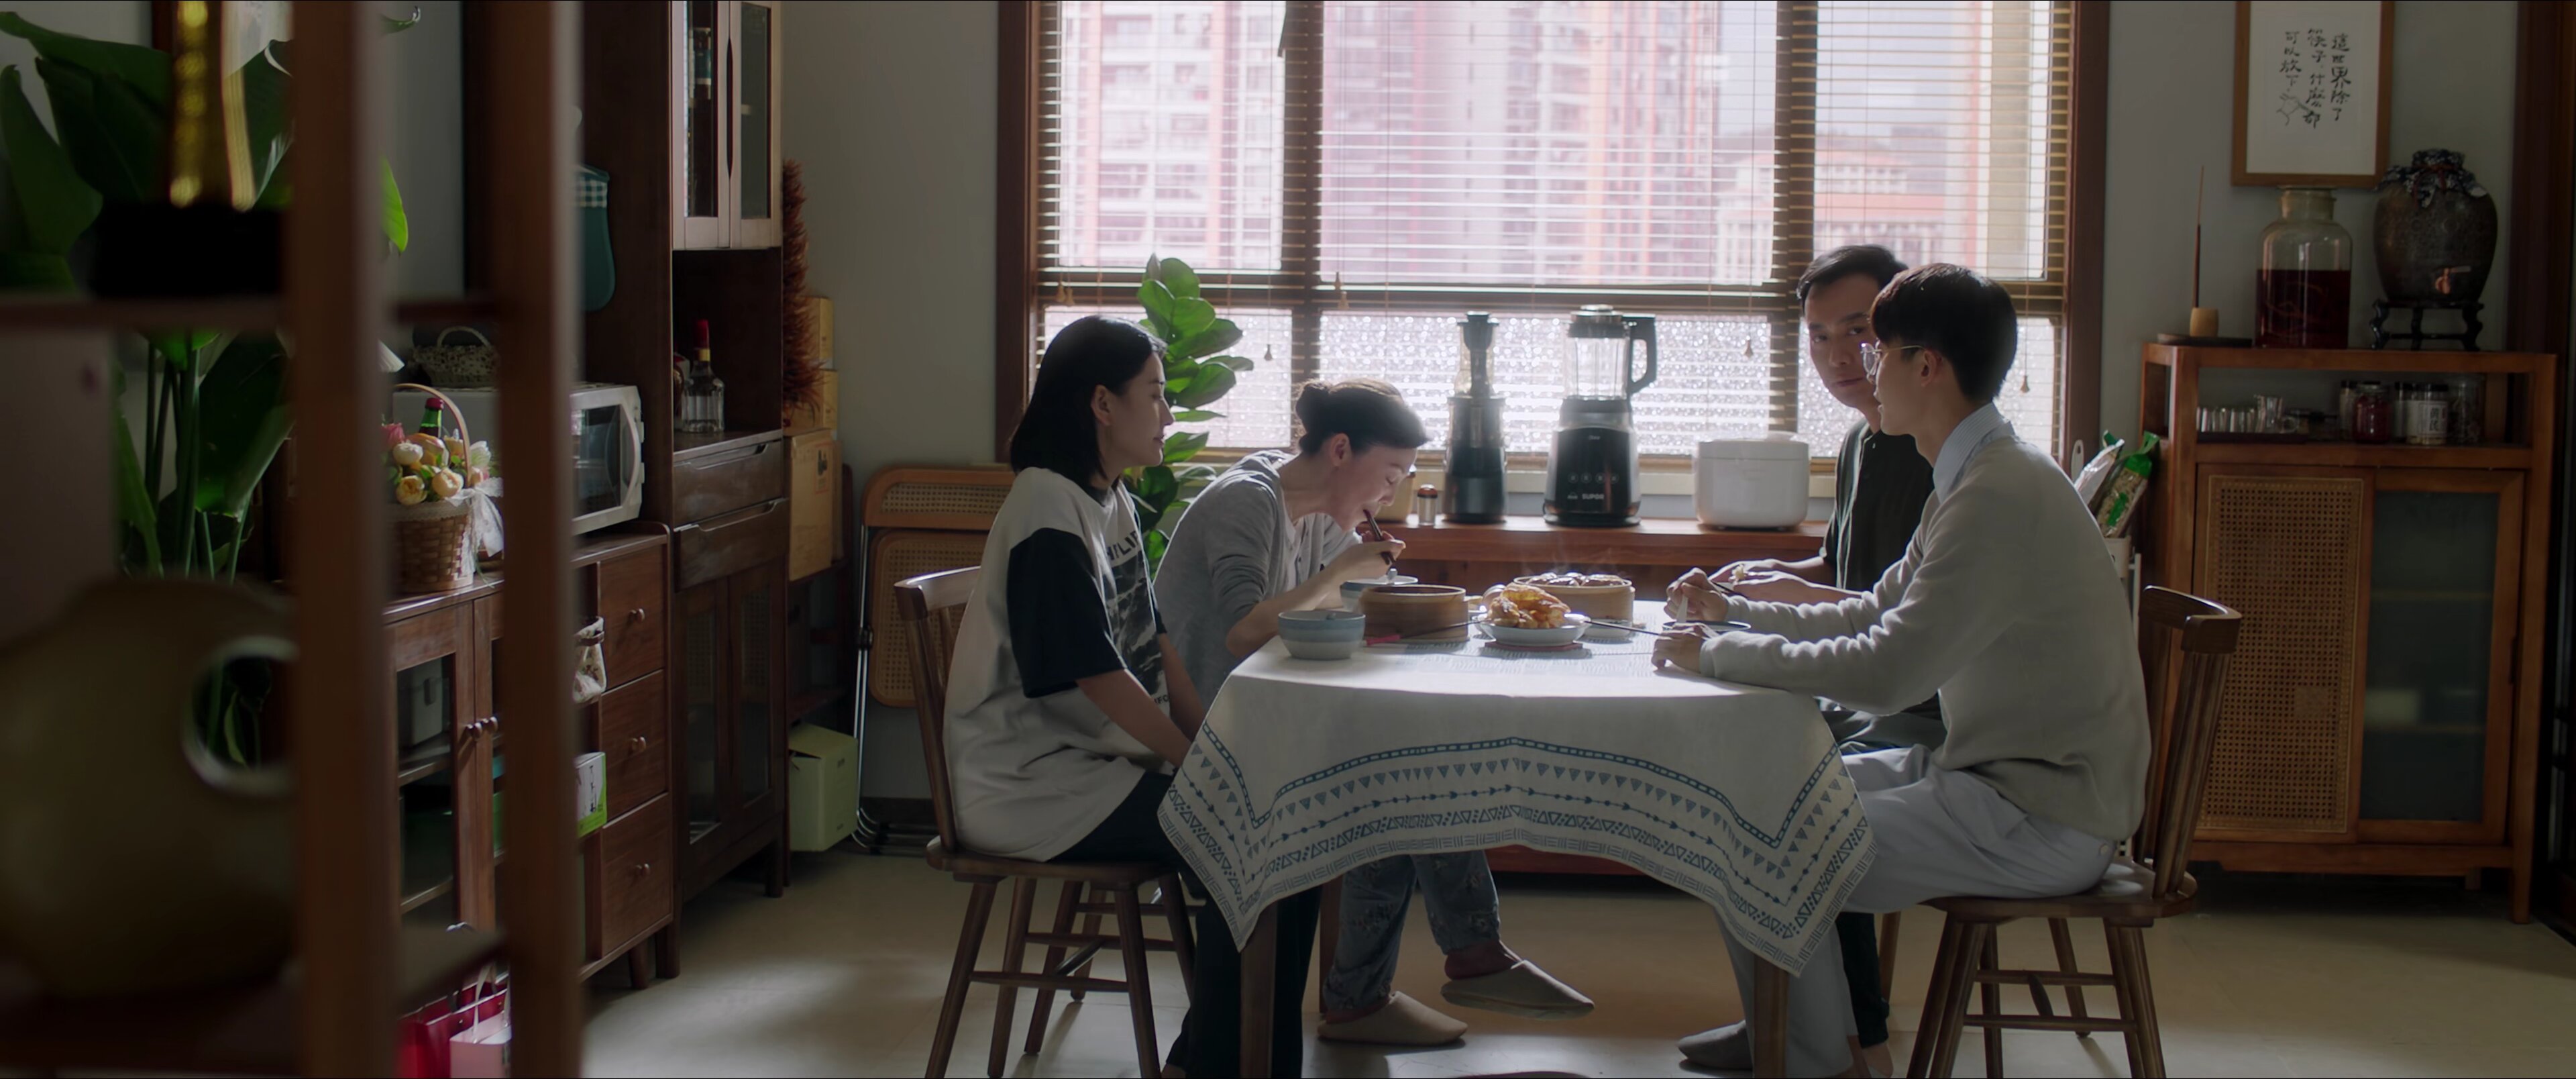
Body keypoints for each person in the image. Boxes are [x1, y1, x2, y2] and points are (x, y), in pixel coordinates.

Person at [1656, 266, 2149, 1078]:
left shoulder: (1997, 493)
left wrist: (1717, 654)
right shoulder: (1975, 473)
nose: (1863, 366)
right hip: (1989, 780)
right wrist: (1733, 614)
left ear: (1928, 367)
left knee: (1761, 842)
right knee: (1749, 803)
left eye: (1876, 349)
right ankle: (1803, 1042)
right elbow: (1873, 611)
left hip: (2042, 815)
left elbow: (1888, 673)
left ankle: (1817, 1057)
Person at [1156, 379, 1593, 1049]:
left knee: (1401, 767)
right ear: (1340, 450)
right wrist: (1344, 571)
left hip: (1267, 718)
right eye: (1388, 476)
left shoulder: (1314, 517)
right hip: (1209, 735)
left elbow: (1329, 608)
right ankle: (1445, 962)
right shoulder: (1248, 499)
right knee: (1405, 769)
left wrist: (1374, 583)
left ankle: (1389, 987)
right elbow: (1245, 631)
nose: (1389, 496)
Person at [942, 315, 1317, 1078]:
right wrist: (1197, 765)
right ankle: (1221, 1065)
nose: (1168, 414)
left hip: (1091, 766)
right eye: (1155, 394)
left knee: (1291, 833)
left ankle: (1230, 1061)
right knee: (1256, 835)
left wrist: (1207, 749)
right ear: (1102, 404)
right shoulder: (1046, 509)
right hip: (1031, 785)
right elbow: (1094, 674)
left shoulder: (1106, 499)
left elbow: (1155, 643)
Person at [1676, 246, 1937, 1076]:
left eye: (1856, 331)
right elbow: (1847, 570)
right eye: (1818, 337)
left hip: (1917, 702)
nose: (1835, 355)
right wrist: (1766, 577)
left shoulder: (1927, 449)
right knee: (1741, 768)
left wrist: (1771, 605)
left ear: (1902, 337)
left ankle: (1853, 1040)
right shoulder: (1864, 441)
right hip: (1858, 679)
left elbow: (1901, 612)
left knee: (1793, 796)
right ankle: (1784, 1023)